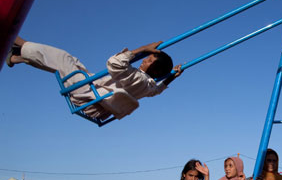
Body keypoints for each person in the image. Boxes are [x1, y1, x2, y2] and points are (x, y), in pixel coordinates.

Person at [6, 36, 182, 121]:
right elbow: (158, 90)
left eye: (149, 59)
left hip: (89, 95)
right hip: (95, 97)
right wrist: (172, 76)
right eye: (147, 56)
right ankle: (17, 57)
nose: (145, 59)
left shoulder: (138, 78)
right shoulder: (148, 86)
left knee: (61, 58)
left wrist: (141, 48)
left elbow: (113, 63)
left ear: (155, 70)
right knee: (69, 62)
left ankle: (15, 39)